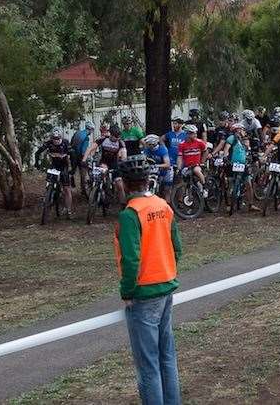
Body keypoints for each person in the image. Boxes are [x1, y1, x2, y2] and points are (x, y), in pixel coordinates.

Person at [114, 155, 182, 405]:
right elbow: (177, 248)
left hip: (143, 294)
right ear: (147, 181)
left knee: (148, 366)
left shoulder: (130, 214)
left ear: (124, 183)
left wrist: (127, 291)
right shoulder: (163, 205)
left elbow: (131, 260)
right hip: (166, 287)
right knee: (167, 358)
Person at [34, 128, 74, 218]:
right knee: (49, 182)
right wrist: (36, 163)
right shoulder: (48, 143)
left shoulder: (65, 143)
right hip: (54, 166)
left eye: (58, 139)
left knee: (67, 188)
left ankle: (68, 210)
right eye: (54, 139)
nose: (56, 141)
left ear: (61, 138)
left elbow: (73, 155)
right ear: (51, 138)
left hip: (64, 166)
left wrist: (73, 168)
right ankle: (48, 194)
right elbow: (37, 153)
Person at [142, 134, 172, 201]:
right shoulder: (147, 149)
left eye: (148, 144)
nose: (147, 145)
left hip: (165, 170)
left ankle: (168, 204)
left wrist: (156, 165)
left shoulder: (163, 149)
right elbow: (143, 159)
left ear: (152, 144)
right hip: (153, 170)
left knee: (166, 189)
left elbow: (167, 164)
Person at [69, 121, 95, 197]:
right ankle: (84, 191)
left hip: (73, 155)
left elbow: (71, 144)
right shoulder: (86, 138)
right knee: (83, 174)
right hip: (80, 156)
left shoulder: (77, 133)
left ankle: (70, 186)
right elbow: (83, 152)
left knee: (72, 171)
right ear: (90, 129)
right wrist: (86, 159)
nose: (92, 132)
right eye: (92, 130)